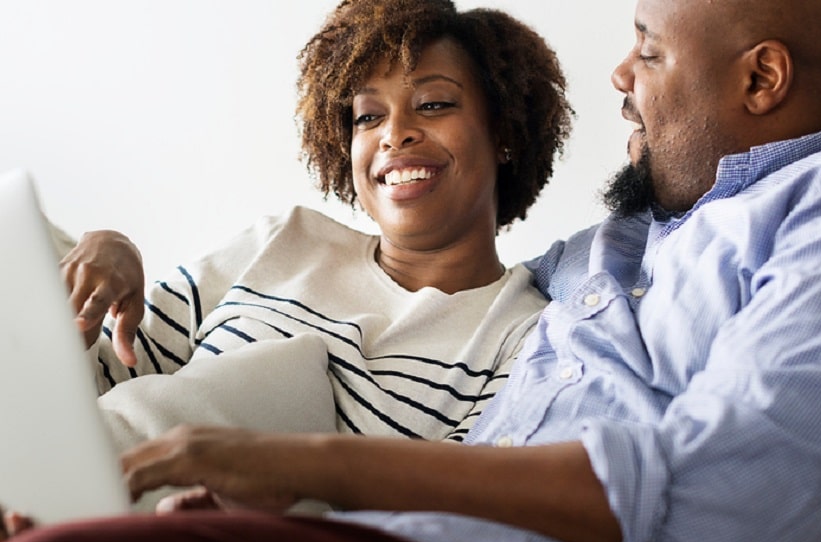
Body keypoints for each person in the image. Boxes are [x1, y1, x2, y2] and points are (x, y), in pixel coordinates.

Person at [2, 0, 821, 542]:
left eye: (649, 51)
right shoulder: (611, 246)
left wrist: (300, 470)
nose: (621, 76)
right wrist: (102, 250)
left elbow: (721, 503)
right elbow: (102, 356)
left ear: (762, 79)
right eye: (366, 114)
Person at [49, 0, 572, 454]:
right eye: (367, 116)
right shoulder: (282, 241)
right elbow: (94, 378)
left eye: (433, 105)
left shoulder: (529, 336)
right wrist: (103, 257)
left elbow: (444, 518)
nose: (393, 134)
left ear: (504, 131)